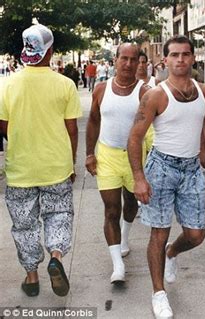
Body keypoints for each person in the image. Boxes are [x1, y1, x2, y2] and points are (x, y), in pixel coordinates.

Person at [127, 35, 205, 319]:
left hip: (192, 168)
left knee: (196, 235)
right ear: (165, 60)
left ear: (193, 58)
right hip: (161, 168)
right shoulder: (155, 95)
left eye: (186, 54)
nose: (181, 59)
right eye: (175, 55)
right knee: (159, 232)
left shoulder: (204, 91)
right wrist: (139, 177)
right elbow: (134, 138)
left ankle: (172, 253)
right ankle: (159, 294)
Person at [0, 24, 82, 297]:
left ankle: (32, 276)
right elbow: (72, 130)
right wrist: (71, 164)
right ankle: (56, 257)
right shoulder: (65, 84)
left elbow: (3, 127)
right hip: (56, 167)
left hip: (20, 169)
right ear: (50, 51)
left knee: (25, 224)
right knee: (58, 215)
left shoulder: (7, 84)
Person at [85, 43, 148, 285]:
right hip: (108, 156)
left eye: (134, 59)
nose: (129, 64)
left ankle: (125, 236)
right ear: (115, 60)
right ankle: (118, 266)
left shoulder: (145, 91)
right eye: (124, 58)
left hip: (135, 158)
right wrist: (89, 154)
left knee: (131, 203)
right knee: (111, 210)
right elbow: (92, 121)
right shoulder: (101, 89)